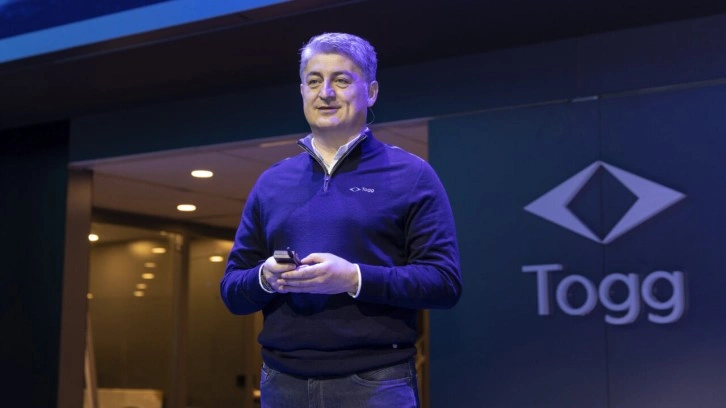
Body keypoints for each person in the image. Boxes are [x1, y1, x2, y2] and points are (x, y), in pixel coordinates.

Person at [221, 32, 462, 408]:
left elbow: (444, 283)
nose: (326, 93)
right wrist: (265, 277)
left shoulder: (412, 175)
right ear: (302, 91)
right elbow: (233, 291)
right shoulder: (271, 182)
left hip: (376, 383)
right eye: (314, 81)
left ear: (372, 92)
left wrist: (353, 278)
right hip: (281, 383)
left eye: (342, 80)